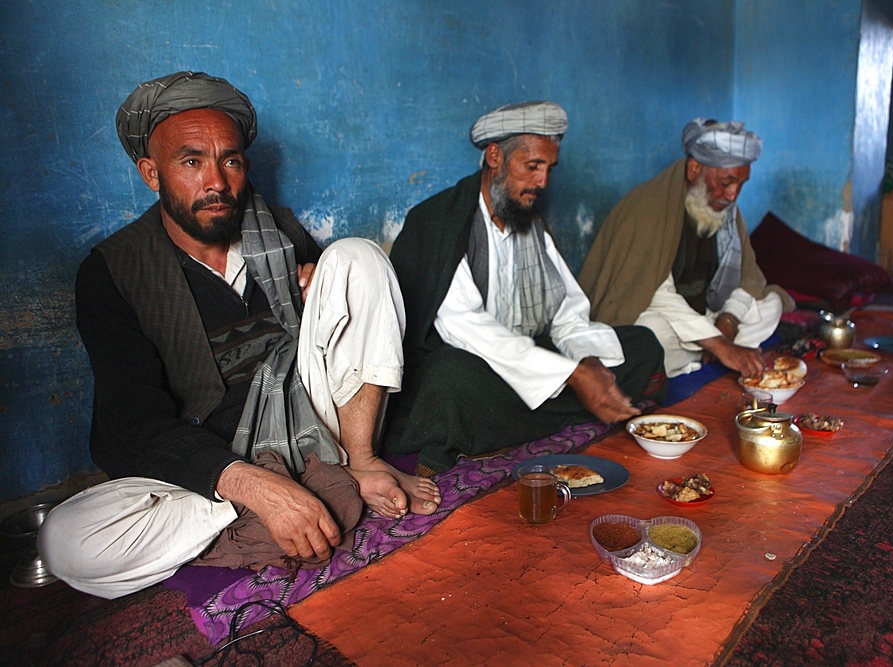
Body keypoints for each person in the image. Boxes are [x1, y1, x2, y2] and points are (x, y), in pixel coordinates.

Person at [38, 71, 439, 599]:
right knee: (65, 541)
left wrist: (320, 287)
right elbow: (129, 424)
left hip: (310, 419)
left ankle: (357, 463)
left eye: (230, 160)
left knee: (358, 256)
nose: (217, 181)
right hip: (214, 451)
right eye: (191, 161)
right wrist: (254, 485)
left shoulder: (277, 232)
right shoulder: (114, 271)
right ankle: (308, 498)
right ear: (151, 173)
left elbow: (340, 334)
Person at [383, 101, 666, 476]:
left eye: (549, 169)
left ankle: (517, 422)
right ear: (495, 156)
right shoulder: (439, 223)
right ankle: (549, 409)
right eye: (532, 166)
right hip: (469, 367)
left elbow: (567, 312)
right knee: (450, 380)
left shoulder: (529, 223)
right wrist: (571, 376)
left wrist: (587, 362)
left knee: (642, 344)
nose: (543, 182)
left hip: (529, 362)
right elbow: (467, 329)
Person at [578, 118, 794, 379]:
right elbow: (655, 292)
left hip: (707, 314)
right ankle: (711, 355)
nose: (733, 195)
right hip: (663, 313)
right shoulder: (647, 207)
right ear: (694, 169)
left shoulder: (727, 211)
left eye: (741, 184)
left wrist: (727, 322)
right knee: (649, 335)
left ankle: (706, 355)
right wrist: (719, 343)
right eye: (726, 183)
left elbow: (746, 279)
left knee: (771, 305)